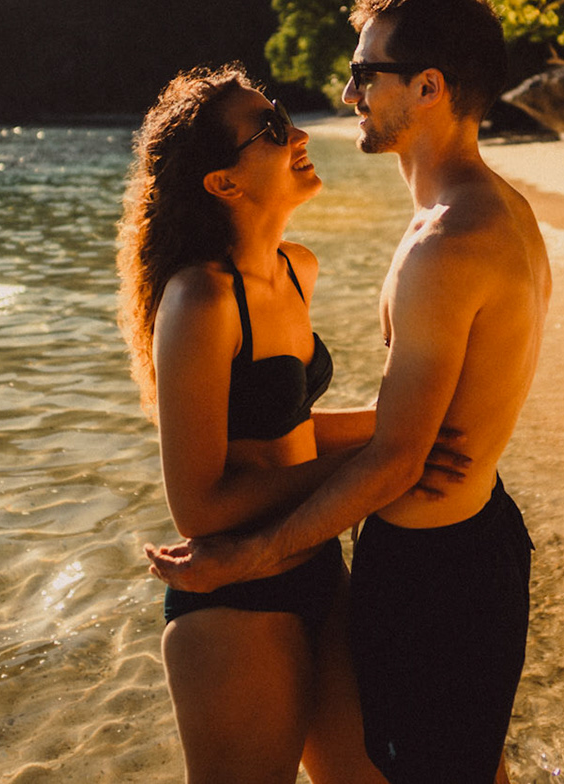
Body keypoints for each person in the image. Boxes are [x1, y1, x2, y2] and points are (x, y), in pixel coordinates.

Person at [148, 0, 551, 784]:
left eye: (366, 73)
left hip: (437, 572)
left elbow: (402, 458)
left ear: (428, 87)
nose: (346, 95)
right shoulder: (473, 215)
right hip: (446, 549)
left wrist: (255, 552)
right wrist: (395, 441)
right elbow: (391, 439)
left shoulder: (447, 241)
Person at [120, 63, 430, 784]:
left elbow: (290, 434)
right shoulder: (199, 300)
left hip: (320, 564)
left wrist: (409, 425)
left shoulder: (298, 268)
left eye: (282, 114)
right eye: (267, 130)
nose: (295, 133)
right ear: (223, 183)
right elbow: (197, 505)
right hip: (233, 602)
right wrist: (383, 456)